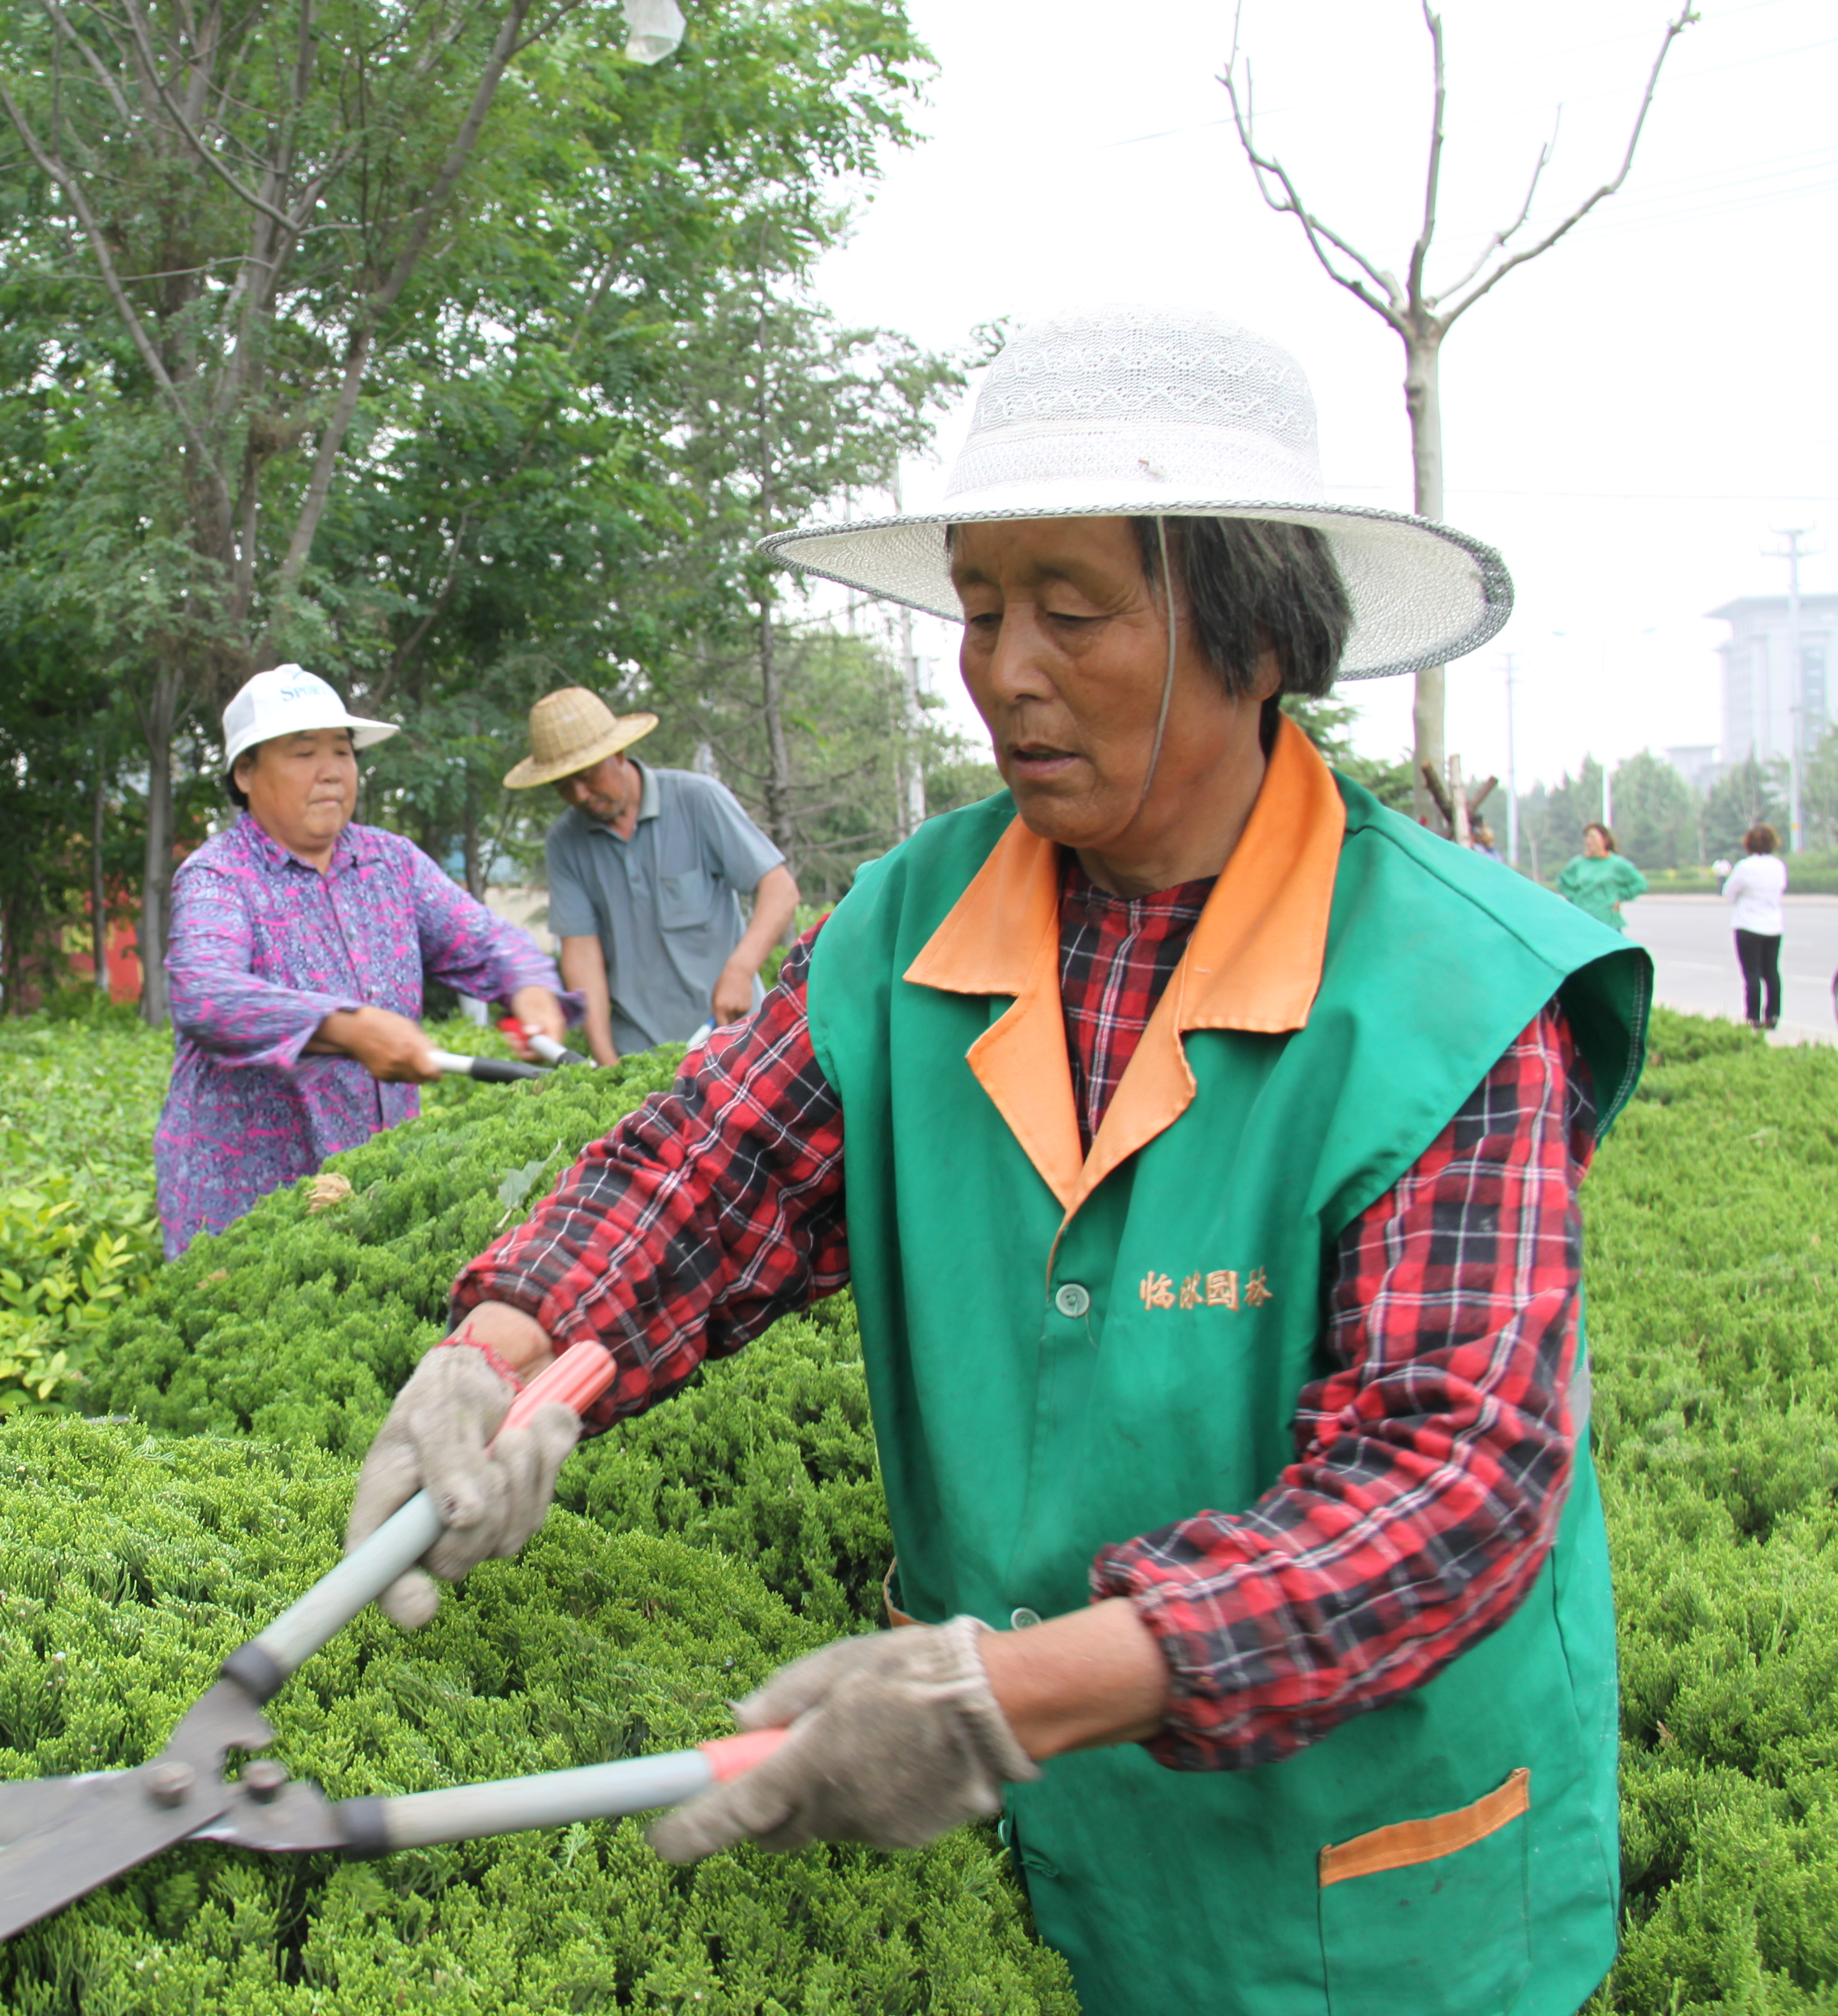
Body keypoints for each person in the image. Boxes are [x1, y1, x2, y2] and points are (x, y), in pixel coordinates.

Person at [337, 309, 1646, 2016]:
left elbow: (1447, 1486)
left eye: (1071, 611)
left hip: (1365, 1880)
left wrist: (1007, 1698)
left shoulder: (1450, 992)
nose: (1004, 667)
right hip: (1061, 1849)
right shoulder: (915, 921)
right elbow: (711, 1174)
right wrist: (494, 1355)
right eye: (977, 606)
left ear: (1253, 635)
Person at [154, 666, 575, 1256]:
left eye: (342, 751)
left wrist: (528, 988)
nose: (331, 771)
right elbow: (206, 995)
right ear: (244, 772)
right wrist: (346, 1028)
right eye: (304, 753)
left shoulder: (391, 863)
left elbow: (487, 940)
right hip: (245, 1206)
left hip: (375, 1188)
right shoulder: (219, 877)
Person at [503, 689, 802, 1063]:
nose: (579, 794)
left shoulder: (698, 800)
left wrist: (741, 971)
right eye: (563, 786)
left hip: (737, 1037)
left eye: (587, 776)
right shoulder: (566, 842)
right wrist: (606, 1058)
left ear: (617, 753)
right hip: (641, 1054)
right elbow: (582, 954)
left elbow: (780, 890)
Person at [1724, 823, 1787, 1028]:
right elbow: (1781, 889)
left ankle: (1753, 1017)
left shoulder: (1745, 866)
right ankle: (1774, 1015)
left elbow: (1729, 893)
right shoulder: (1779, 866)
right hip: (1773, 926)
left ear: (1749, 844)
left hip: (1748, 925)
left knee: (1752, 973)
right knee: (1771, 972)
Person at [1556, 821, 1647, 932]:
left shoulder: (1617, 864)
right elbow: (1562, 882)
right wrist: (1575, 899)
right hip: (1583, 920)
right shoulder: (1578, 863)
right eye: (1587, 837)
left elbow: (1640, 883)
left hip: (1608, 922)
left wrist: (1620, 897)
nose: (1589, 841)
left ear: (1605, 840)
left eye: (1593, 837)